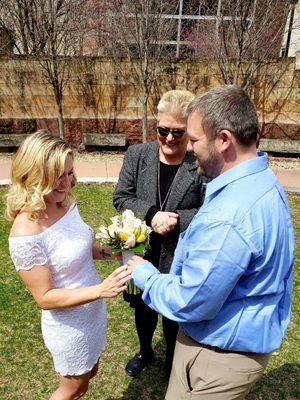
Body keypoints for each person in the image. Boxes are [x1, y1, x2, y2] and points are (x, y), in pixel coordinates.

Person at [125, 85, 295, 399]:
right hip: (234, 344)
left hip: (215, 356)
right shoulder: (263, 181)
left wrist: (145, 276)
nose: (188, 149)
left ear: (224, 140)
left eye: (193, 140)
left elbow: (190, 302)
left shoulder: (228, 215)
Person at [6, 130, 131, 400]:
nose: (67, 183)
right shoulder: (27, 233)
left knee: (90, 375)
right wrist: (101, 289)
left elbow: (81, 248)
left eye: (69, 173)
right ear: (34, 177)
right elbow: (45, 298)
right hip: (69, 326)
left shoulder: (65, 203)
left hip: (92, 314)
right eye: (57, 177)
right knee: (72, 389)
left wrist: (112, 253)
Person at [113, 90, 207, 377]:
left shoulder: (200, 162)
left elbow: (210, 210)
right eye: (162, 130)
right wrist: (152, 215)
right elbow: (121, 197)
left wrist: (178, 220)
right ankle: (145, 350)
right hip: (142, 251)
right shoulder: (138, 155)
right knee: (142, 309)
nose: (169, 139)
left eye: (178, 133)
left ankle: (171, 361)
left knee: (172, 315)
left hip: (180, 254)